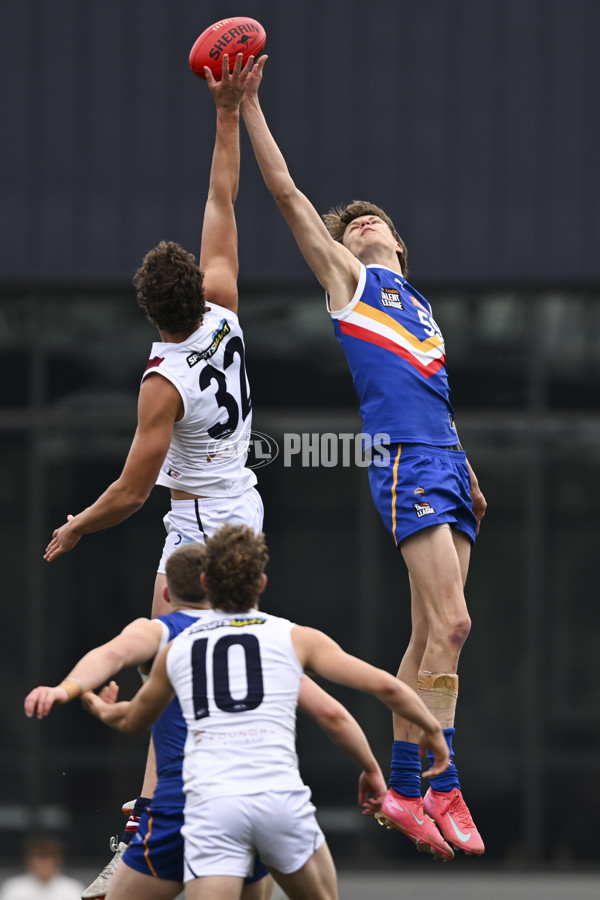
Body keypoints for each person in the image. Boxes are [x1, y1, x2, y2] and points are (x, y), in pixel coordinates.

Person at [236, 57, 487, 859]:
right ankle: (437, 785)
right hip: (406, 463)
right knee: (454, 622)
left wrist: (470, 472)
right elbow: (285, 194)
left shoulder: (421, 309)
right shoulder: (350, 283)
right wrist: (247, 107)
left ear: (400, 242)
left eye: (372, 222)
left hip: (444, 463)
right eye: (352, 226)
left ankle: (408, 792)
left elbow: (432, 394)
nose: (360, 227)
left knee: (426, 640)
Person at [41, 53, 264, 895]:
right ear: (194, 288)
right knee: (184, 661)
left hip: (202, 521)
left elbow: (133, 492)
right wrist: (226, 114)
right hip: (240, 498)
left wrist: (76, 524)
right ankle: (157, 803)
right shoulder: (225, 304)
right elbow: (222, 198)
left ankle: (172, 807)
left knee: (173, 657)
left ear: (148, 310)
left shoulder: (162, 382)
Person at [83, 524, 450, 900]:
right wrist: (422, 736)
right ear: (261, 583)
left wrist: (100, 708)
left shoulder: (178, 647)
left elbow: (135, 720)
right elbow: (379, 690)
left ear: (206, 582)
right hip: (279, 801)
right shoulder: (293, 637)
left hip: (214, 808)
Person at [25, 542, 387, 900]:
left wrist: (67, 689)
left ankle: (133, 834)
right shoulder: (264, 637)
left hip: (180, 807)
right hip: (248, 802)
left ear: (167, 591)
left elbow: (113, 655)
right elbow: (330, 711)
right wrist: (375, 766)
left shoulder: (163, 633)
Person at [0, 835, 84, 900]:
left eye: (48, 858)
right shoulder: (14, 888)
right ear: (30, 861)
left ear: (57, 861)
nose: (44, 864)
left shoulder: (73, 889)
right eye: (39, 858)